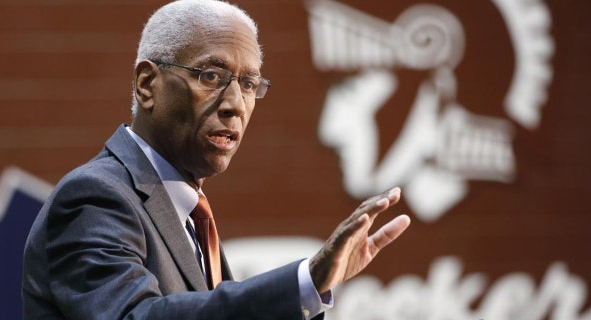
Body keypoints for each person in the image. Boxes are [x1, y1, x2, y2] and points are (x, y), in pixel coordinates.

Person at [21, 0, 411, 319]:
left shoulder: (187, 212)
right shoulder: (95, 197)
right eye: (210, 75)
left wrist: (313, 293)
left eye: (248, 84)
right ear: (147, 85)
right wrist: (301, 282)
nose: (235, 105)